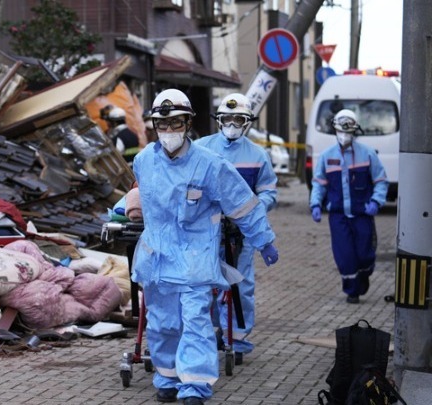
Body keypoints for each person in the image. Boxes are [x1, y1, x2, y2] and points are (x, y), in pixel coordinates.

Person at [131, 88, 279, 405]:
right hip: (157, 259)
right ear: (155, 126)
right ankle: (167, 376)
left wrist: (263, 239)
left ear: (188, 123)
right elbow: (139, 199)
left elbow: (243, 205)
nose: (169, 131)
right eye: (163, 124)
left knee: (196, 322)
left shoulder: (211, 164)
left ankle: (195, 385)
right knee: (162, 323)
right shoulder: (143, 161)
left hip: (195, 259)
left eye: (176, 123)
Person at [194, 93, 278, 366]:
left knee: (241, 286)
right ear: (218, 120)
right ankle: (209, 335)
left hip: (241, 234)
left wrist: (254, 210)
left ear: (247, 122)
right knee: (204, 285)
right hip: (205, 233)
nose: (231, 123)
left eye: (238, 118)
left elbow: (268, 191)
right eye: (227, 118)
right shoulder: (200, 149)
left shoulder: (257, 155)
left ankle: (238, 340)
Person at [309, 109, 388, 304]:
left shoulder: (367, 154)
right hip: (338, 216)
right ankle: (352, 291)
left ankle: (365, 273)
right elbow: (319, 183)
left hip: (362, 214)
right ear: (335, 130)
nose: (344, 135)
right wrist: (315, 204)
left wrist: (376, 201)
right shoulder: (327, 156)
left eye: (348, 131)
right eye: (340, 130)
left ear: (355, 131)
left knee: (364, 255)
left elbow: (381, 180)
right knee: (344, 256)